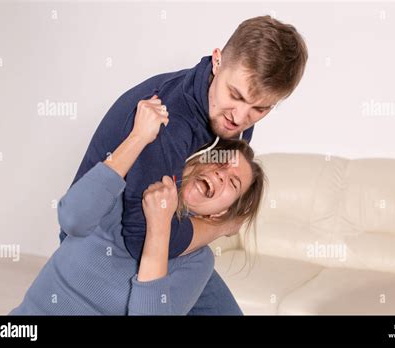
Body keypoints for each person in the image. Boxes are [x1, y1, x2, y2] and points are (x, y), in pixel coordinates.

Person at [59, 15, 308, 315]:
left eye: (260, 108)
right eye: (235, 95)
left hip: (159, 232)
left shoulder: (231, 118)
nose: (241, 118)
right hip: (104, 242)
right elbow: (141, 239)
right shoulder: (171, 120)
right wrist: (223, 226)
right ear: (217, 61)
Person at [10, 96, 265, 315]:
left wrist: (159, 227)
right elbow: (72, 219)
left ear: (221, 211)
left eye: (233, 182)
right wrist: (139, 137)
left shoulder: (198, 261)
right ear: (194, 160)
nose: (221, 174)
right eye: (218, 162)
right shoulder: (127, 190)